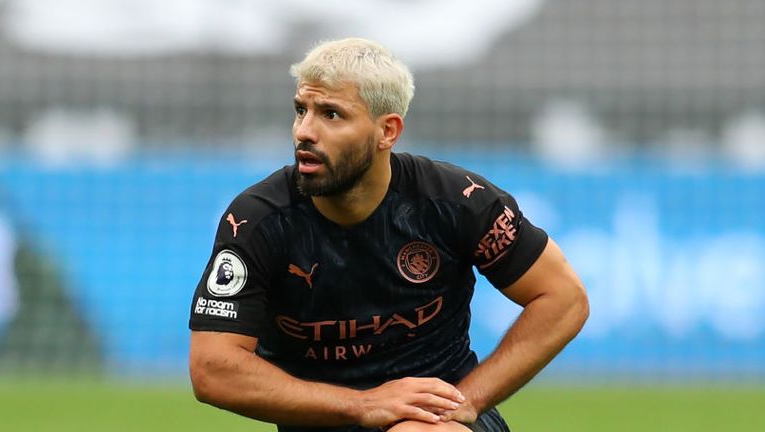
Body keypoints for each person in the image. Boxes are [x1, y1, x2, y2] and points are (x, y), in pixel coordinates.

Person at [189, 37, 588, 432]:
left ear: (388, 132)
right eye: (301, 110)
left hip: (435, 421)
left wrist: (470, 400)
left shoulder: (459, 202)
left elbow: (563, 298)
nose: (304, 132)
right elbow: (212, 369)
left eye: (331, 115)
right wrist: (362, 405)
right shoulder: (258, 220)